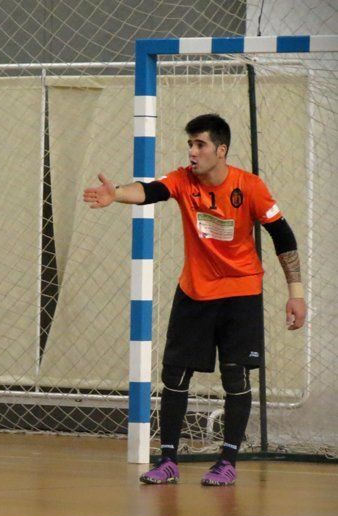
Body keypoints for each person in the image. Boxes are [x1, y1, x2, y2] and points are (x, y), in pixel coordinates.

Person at [83, 113, 307, 486]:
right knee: (174, 373)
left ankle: (227, 461)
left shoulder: (249, 187)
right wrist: (117, 193)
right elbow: (151, 190)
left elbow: (283, 237)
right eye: (190, 144)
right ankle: (168, 460)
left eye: (200, 144)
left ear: (221, 150)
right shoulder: (184, 181)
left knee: (234, 375)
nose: (192, 151)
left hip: (240, 294)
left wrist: (295, 295)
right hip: (195, 292)